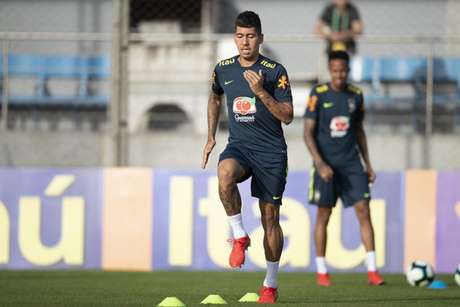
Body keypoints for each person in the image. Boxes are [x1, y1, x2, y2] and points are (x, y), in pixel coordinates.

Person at [201, 11, 293, 304]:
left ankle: (270, 284)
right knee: (224, 173)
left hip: (270, 152)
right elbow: (215, 97)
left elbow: (288, 116)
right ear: (234, 38)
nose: (245, 42)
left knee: (270, 218)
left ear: (260, 39)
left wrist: (260, 92)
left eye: (251, 36)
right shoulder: (224, 68)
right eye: (240, 36)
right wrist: (211, 136)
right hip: (239, 147)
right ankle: (239, 235)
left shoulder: (275, 71)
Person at [303, 50, 384, 287]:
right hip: (325, 164)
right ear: (330, 70)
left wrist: (367, 164)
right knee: (323, 215)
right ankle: (321, 271)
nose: (339, 75)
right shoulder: (317, 94)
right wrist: (319, 162)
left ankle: (372, 271)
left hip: (351, 163)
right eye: (335, 70)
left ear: (348, 70)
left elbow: (359, 130)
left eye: (343, 71)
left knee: (363, 210)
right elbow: (307, 132)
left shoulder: (356, 95)